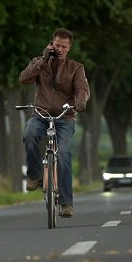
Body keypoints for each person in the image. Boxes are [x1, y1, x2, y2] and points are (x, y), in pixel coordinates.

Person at [19, 28, 90, 218]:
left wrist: (81, 102)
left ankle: (66, 204)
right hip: (40, 114)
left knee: (64, 153)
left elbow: (82, 88)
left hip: (64, 117)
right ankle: (34, 175)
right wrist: (43, 60)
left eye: (63, 47)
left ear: (69, 48)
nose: (60, 49)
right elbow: (24, 79)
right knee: (29, 134)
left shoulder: (76, 67)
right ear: (51, 44)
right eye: (57, 45)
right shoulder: (39, 62)